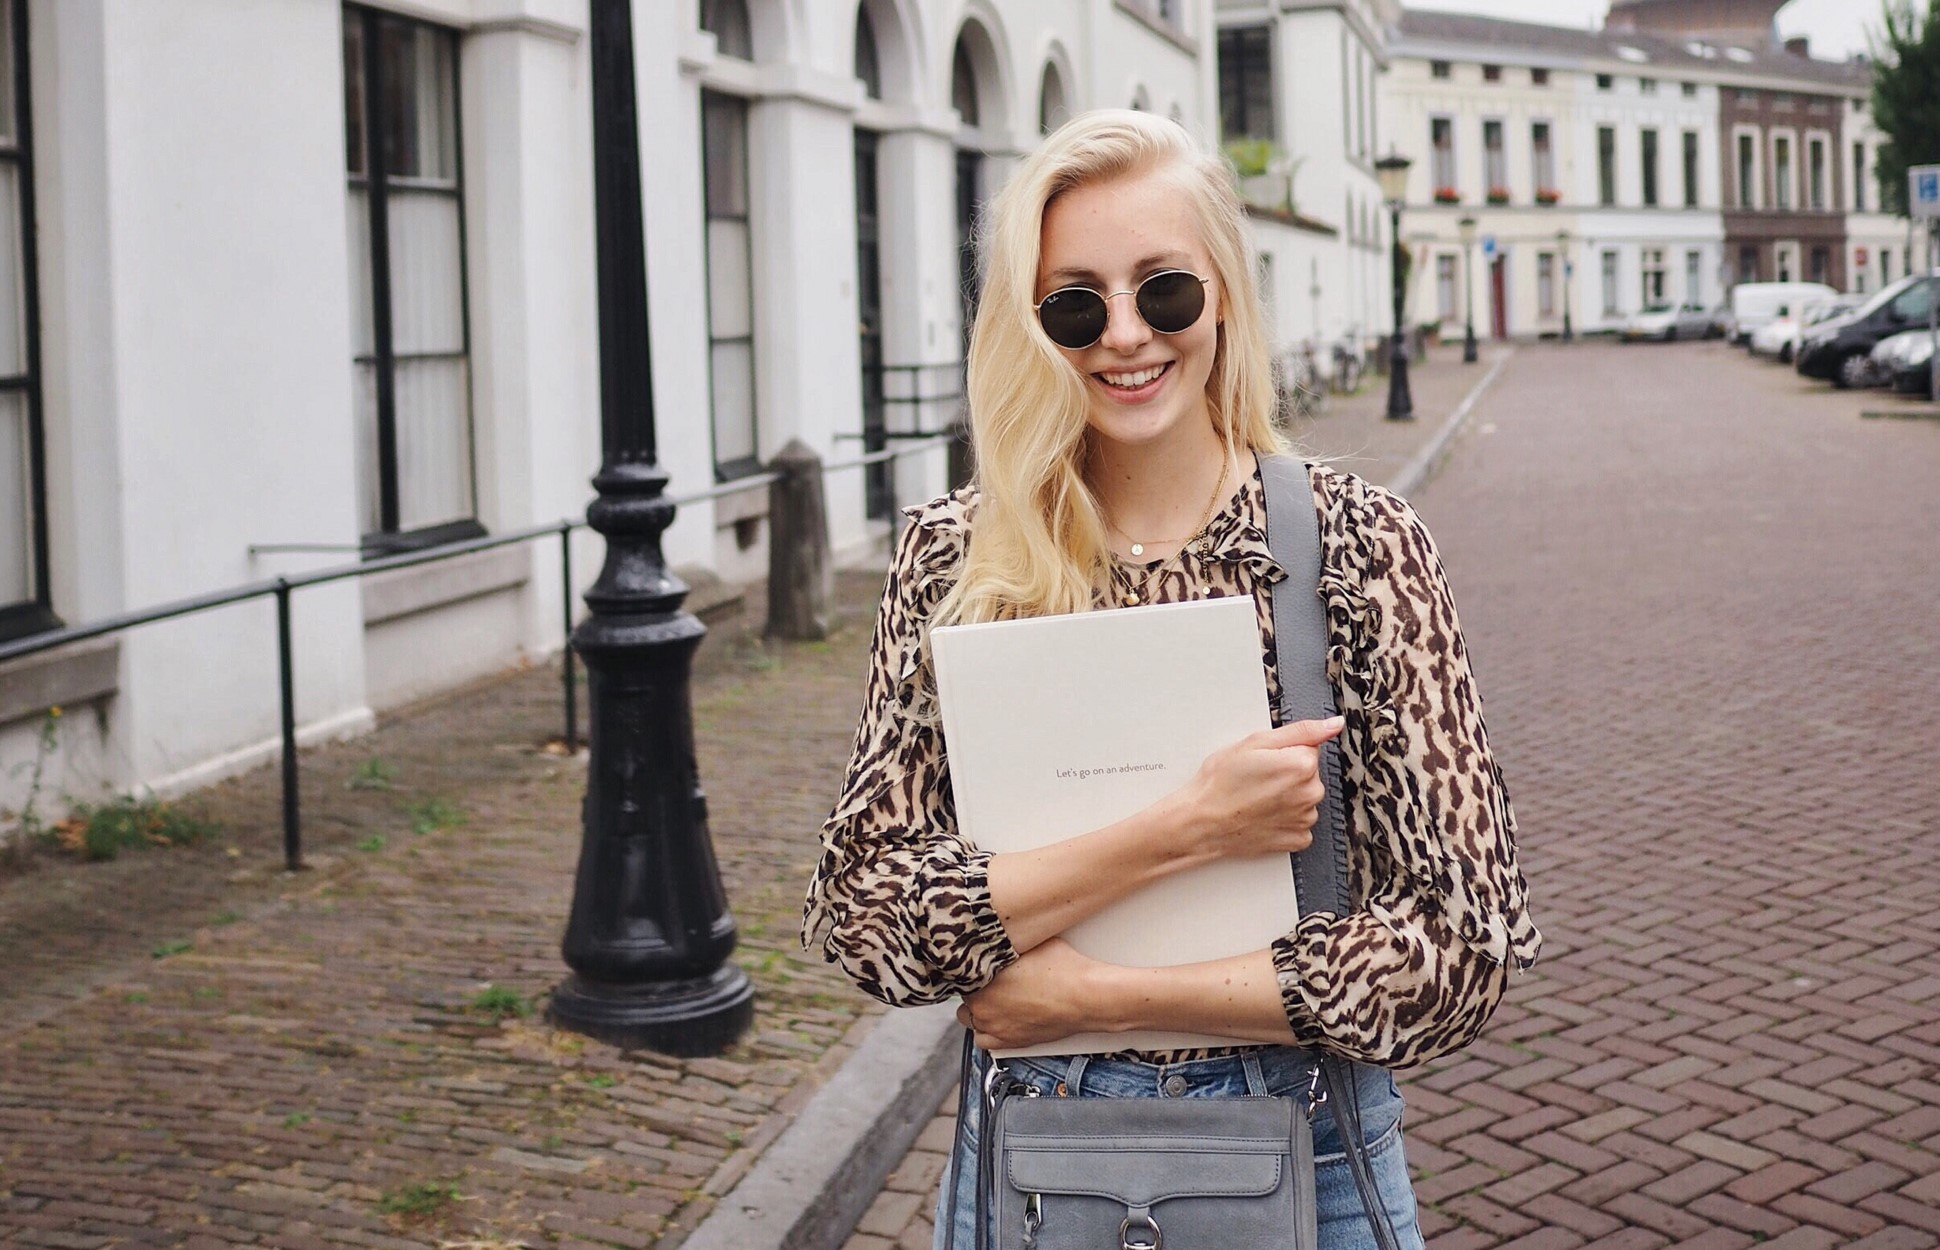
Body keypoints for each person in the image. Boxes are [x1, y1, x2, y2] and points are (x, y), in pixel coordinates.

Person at [802, 109, 1539, 1250]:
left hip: (1308, 1140)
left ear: (1224, 295)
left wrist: (1088, 998)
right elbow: (864, 910)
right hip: (1034, 1157)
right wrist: (1184, 827)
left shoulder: (1357, 541)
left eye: (1164, 291)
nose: (1124, 335)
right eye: (1075, 303)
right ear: (1030, 324)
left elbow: (1462, 943)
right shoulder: (957, 554)